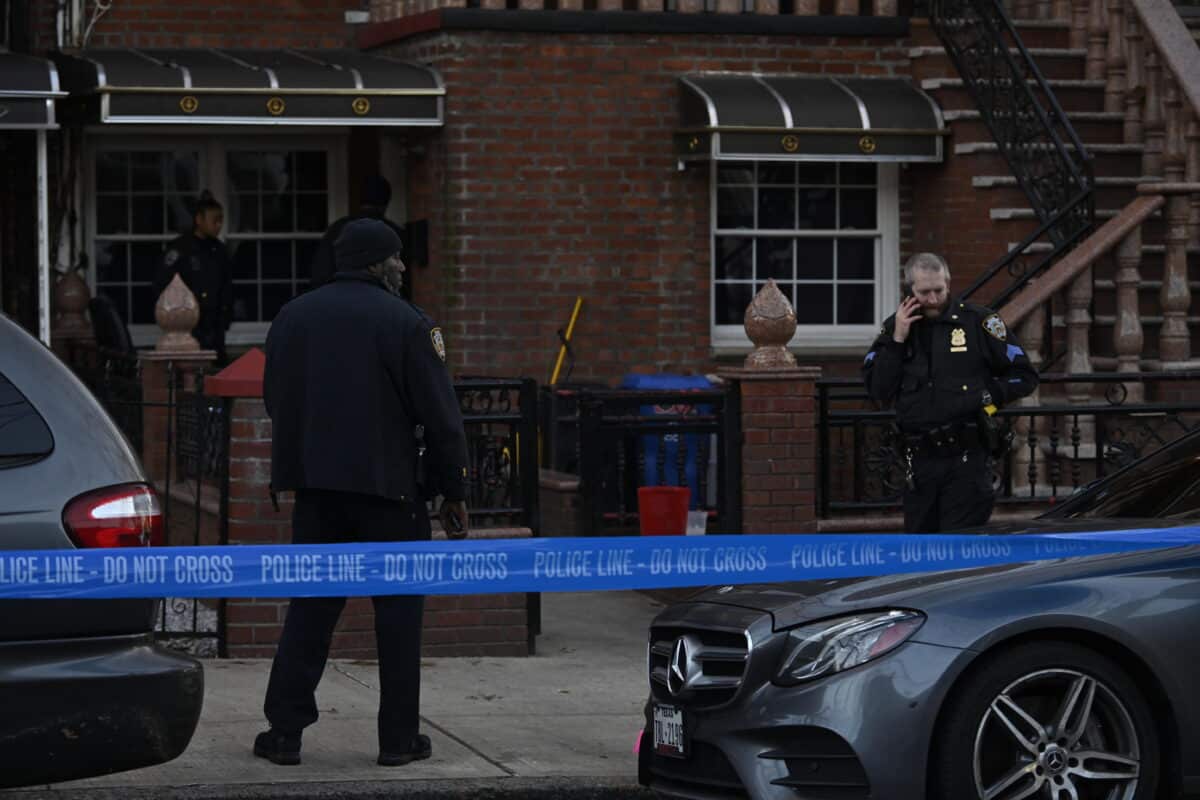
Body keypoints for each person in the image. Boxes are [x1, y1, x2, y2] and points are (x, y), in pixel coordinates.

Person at [255, 218, 470, 768]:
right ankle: (398, 740)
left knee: (309, 613)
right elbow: (441, 418)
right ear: (376, 262)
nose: (402, 267)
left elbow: (275, 398)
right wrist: (454, 491)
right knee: (398, 619)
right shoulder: (407, 324)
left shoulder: (292, 317)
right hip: (391, 494)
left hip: (317, 493)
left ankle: (283, 733)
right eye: (396, 258)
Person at [862, 252, 1039, 533]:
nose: (932, 299)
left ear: (948, 283)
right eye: (924, 292)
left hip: (967, 459)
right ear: (909, 289)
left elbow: (1025, 376)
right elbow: (878, 390)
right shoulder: (894, 327)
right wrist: (897, 340)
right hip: (919, 462)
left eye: (938, 290)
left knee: (960, 551)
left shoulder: (981, 322)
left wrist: (986, 399)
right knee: (920, 551)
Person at [152, 190, 234, 363]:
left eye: (221, 220)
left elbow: (227, 286)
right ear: (199, 220)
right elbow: (162, 284)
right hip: (189, 326)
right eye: (214, 220)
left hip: (216, 325)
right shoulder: (181, 249)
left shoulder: (220, 250)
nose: (219, 225)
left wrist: (226, 317)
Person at [309, 174, 407, 295]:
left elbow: (320, 273)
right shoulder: (395, 233)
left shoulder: (337, 229)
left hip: (339, 299)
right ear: (386, 202)